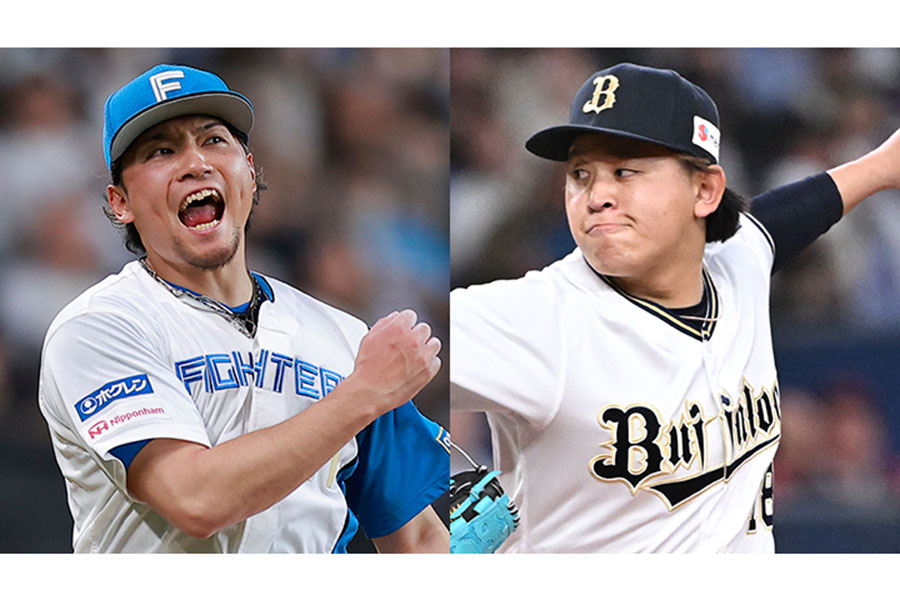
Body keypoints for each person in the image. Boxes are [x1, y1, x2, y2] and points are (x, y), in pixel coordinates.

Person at [449, 62, 900, 552]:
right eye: (580, 173)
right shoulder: (533, 318)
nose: (596, 195)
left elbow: (785, 218)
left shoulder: (737, 263)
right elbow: (363, 354)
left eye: (625, 171)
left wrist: (880, 167)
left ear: (705, 191)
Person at [37, 64, 449, 553]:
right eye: (162, 151)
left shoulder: (342, 337)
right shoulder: (98, 328)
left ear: (250, 173)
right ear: (119, 201)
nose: (196, 163)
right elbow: (196, 499)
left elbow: (419, 539)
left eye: (213, 141)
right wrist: (363, 394)